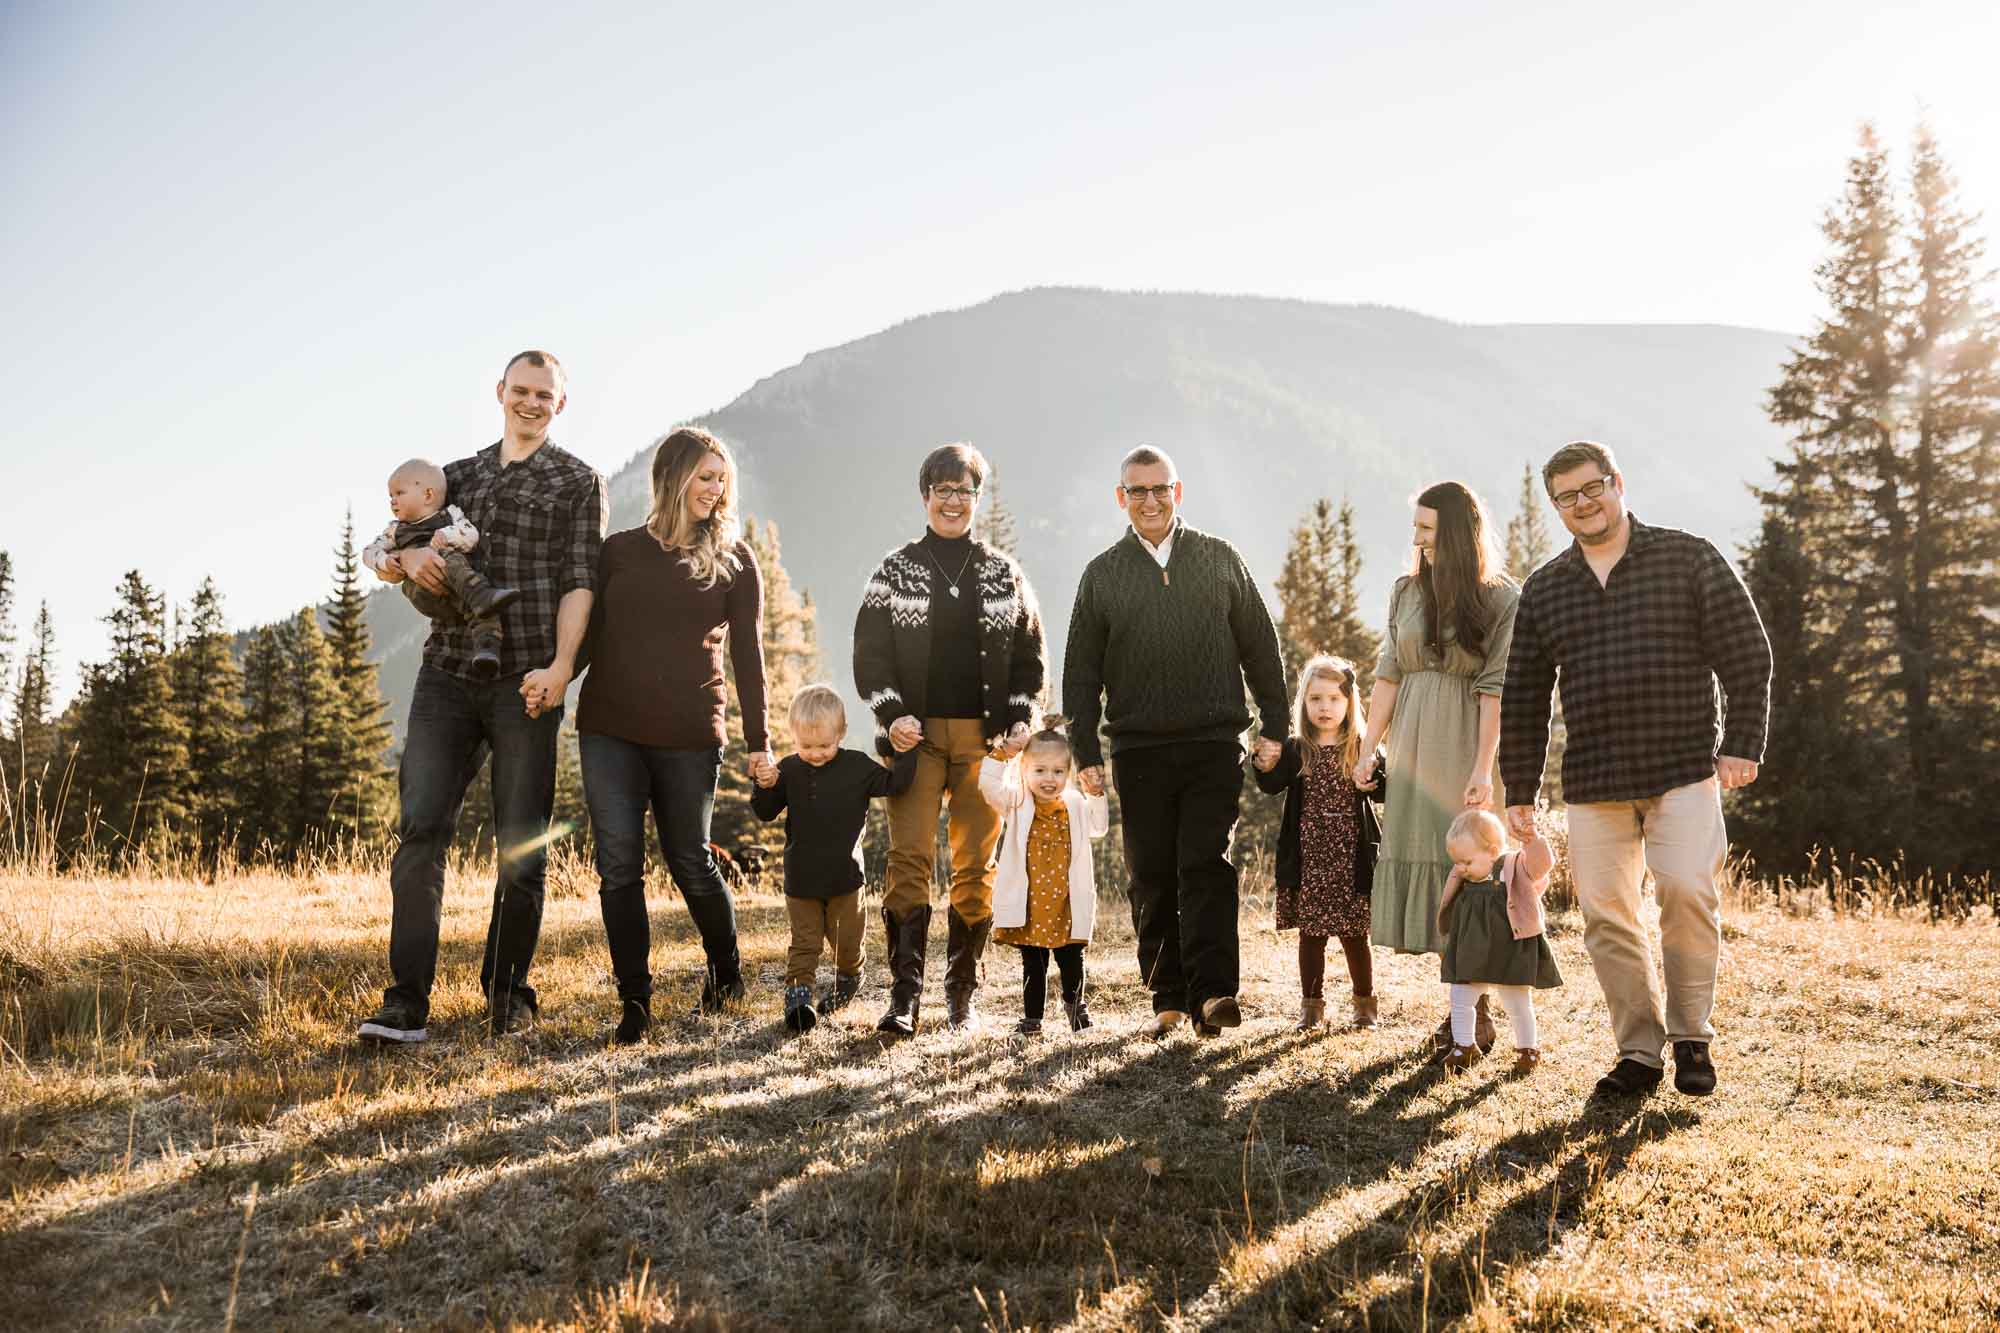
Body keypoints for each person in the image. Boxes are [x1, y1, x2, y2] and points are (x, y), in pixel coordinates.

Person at [1500, 440, 1771, 1101]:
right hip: (1593, 778)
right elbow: (1525, 694)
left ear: (1617, 482)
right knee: (1607, 917)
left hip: (1682, 765)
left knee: (1686, 892)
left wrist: (1742, 742)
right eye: (1566, 496)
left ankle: (1692, 1037)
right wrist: (1520, 788)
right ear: (1556, 506)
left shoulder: (1686, 557)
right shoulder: (1546, 589)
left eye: (1592, 487)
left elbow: (1747, 652)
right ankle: (1640, 1053)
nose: (1582, 504)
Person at [358, 350, 607, 1044]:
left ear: (561, 403)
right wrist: (405, 559)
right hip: (447, 673)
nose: (530, 402)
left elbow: (582, 582)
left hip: (528, 679)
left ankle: (507, 994)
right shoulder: (456, 475)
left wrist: (562, 667)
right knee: (419, 832)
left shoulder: (578, 482)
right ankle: (406, 1002)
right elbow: (397, 546)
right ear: (500, 392)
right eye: (519, 390)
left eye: (543, 394)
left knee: (522, 846)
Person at [1064, 446, 1288, 1038]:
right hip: (1138, 749)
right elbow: (1081, 675)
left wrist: (1275, 724)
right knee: (1152, 872)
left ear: (1178, 492)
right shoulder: (1102, 574)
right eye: (1137, 491)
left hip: (1214, 741)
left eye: (1160, 489)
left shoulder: (1219, 560)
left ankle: (1214, 992)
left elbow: (1261, 648)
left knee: (1207, 863)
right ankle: (1167, 995)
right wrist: (1085, 753)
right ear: (1122, 499)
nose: (1151, 500)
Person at [573, 427, 772, 1044]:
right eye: (704, 476)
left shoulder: (735, 561)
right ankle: (635, 1001)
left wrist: (759, 742)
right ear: (672, 477)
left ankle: (726, 974)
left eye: (721, 478)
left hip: (689, 731)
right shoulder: (620, 552)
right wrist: (551, 681)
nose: (714, 489)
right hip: (610, 728)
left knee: (690, 858)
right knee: (619, 868)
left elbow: (749, 656)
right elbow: (588, 637)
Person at [853, 443, 1048, 1035]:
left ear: (978, 499)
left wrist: (1020, 718)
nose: (953, 501)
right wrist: (890, 716)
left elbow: (1031, 659)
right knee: (908, 858)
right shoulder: (894, 570)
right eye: (943, 490)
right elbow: (870, 654)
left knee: (974, 865)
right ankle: (904, 996)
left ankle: (961, 992)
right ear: (925, 497)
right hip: (914, 739)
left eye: (965, 491)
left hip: (984, 745)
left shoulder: (1002, 573)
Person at [1351, 480, 1517, 1055]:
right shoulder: (1405, 592)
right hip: (1413, 746)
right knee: (1434, 881)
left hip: (1464, 745)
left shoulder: (1499, 598)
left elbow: (1495, 690)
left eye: (1426, 529)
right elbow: (1387, 674)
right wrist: (1369, 747)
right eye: (1415, 528)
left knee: (1471, 877)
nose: (1416, 539)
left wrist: (1482, 768)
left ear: (1453, 533)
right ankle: (1459, 1011)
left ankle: (1476, 1015)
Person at [751, 685, 920, 1033]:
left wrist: (904, 751)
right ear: (794, 737)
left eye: (824, 746)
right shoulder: (789, 770)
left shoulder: (857, 766)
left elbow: (896, 784)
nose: (814, 754)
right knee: (804, 943)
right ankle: (798, 998)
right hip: (801, 880)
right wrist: (764, 784)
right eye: (806, 746)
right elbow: (765, 812)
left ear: (841, 733)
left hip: (846, 879)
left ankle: (849, 978)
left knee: (846, 946)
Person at [1251, 654, 1386, 1031]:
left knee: (1355, 936)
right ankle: (1311, 1007)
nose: (1325, 707)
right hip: (1310, 858)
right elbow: (1271, 783)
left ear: (1349, 703)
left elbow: (1384, 789)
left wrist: (1374, 776)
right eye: (1316, 699)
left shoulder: (1362, 746)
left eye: (1334, 699)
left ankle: (1364, 1006)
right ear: (1303, 703)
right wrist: (1262, 762)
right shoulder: (1296, 749)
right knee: (1311, 935)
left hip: (1351, 856)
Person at [978, 719, 1110, 1035]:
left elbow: (1099, 827)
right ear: (1024, 771)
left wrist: (1096, 795)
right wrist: (1003, 752)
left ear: (1069, 773)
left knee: (1071, 961)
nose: (1048, 779)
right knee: (1033, 965)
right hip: (1030, 905)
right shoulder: (1017, 801)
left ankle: (1076, 1008)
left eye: (1057, 772)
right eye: (1039, 771)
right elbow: (988, 785)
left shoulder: (1076, 804)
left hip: (1066, 902)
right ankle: (1032, 1018)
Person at [361, 459, 519, 678]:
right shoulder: (394, 531)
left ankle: (487, 651)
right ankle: (481, 593)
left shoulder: (451, 515)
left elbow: (471, 536)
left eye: (399, 493)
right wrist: (385, 561)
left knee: (480, 613)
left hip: (456, 591)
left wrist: (448, 535)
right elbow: (369, 551)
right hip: (424, 592)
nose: (392, 501)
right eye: (390, 496)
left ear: (427, 495)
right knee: (451, 564)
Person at [1435, 809, 1562, 1075]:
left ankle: (1528, 1049)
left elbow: (1541, 865)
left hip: (1509, 949)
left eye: (1466, 861)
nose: (1460, 868)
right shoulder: (1464, 874)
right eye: (1456, 861)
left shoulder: (1512, 866)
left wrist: (1531, 838)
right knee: (1460, 996)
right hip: (1472, 949)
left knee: (1516, 1001)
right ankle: (1464, 1046)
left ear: (1492, 851)